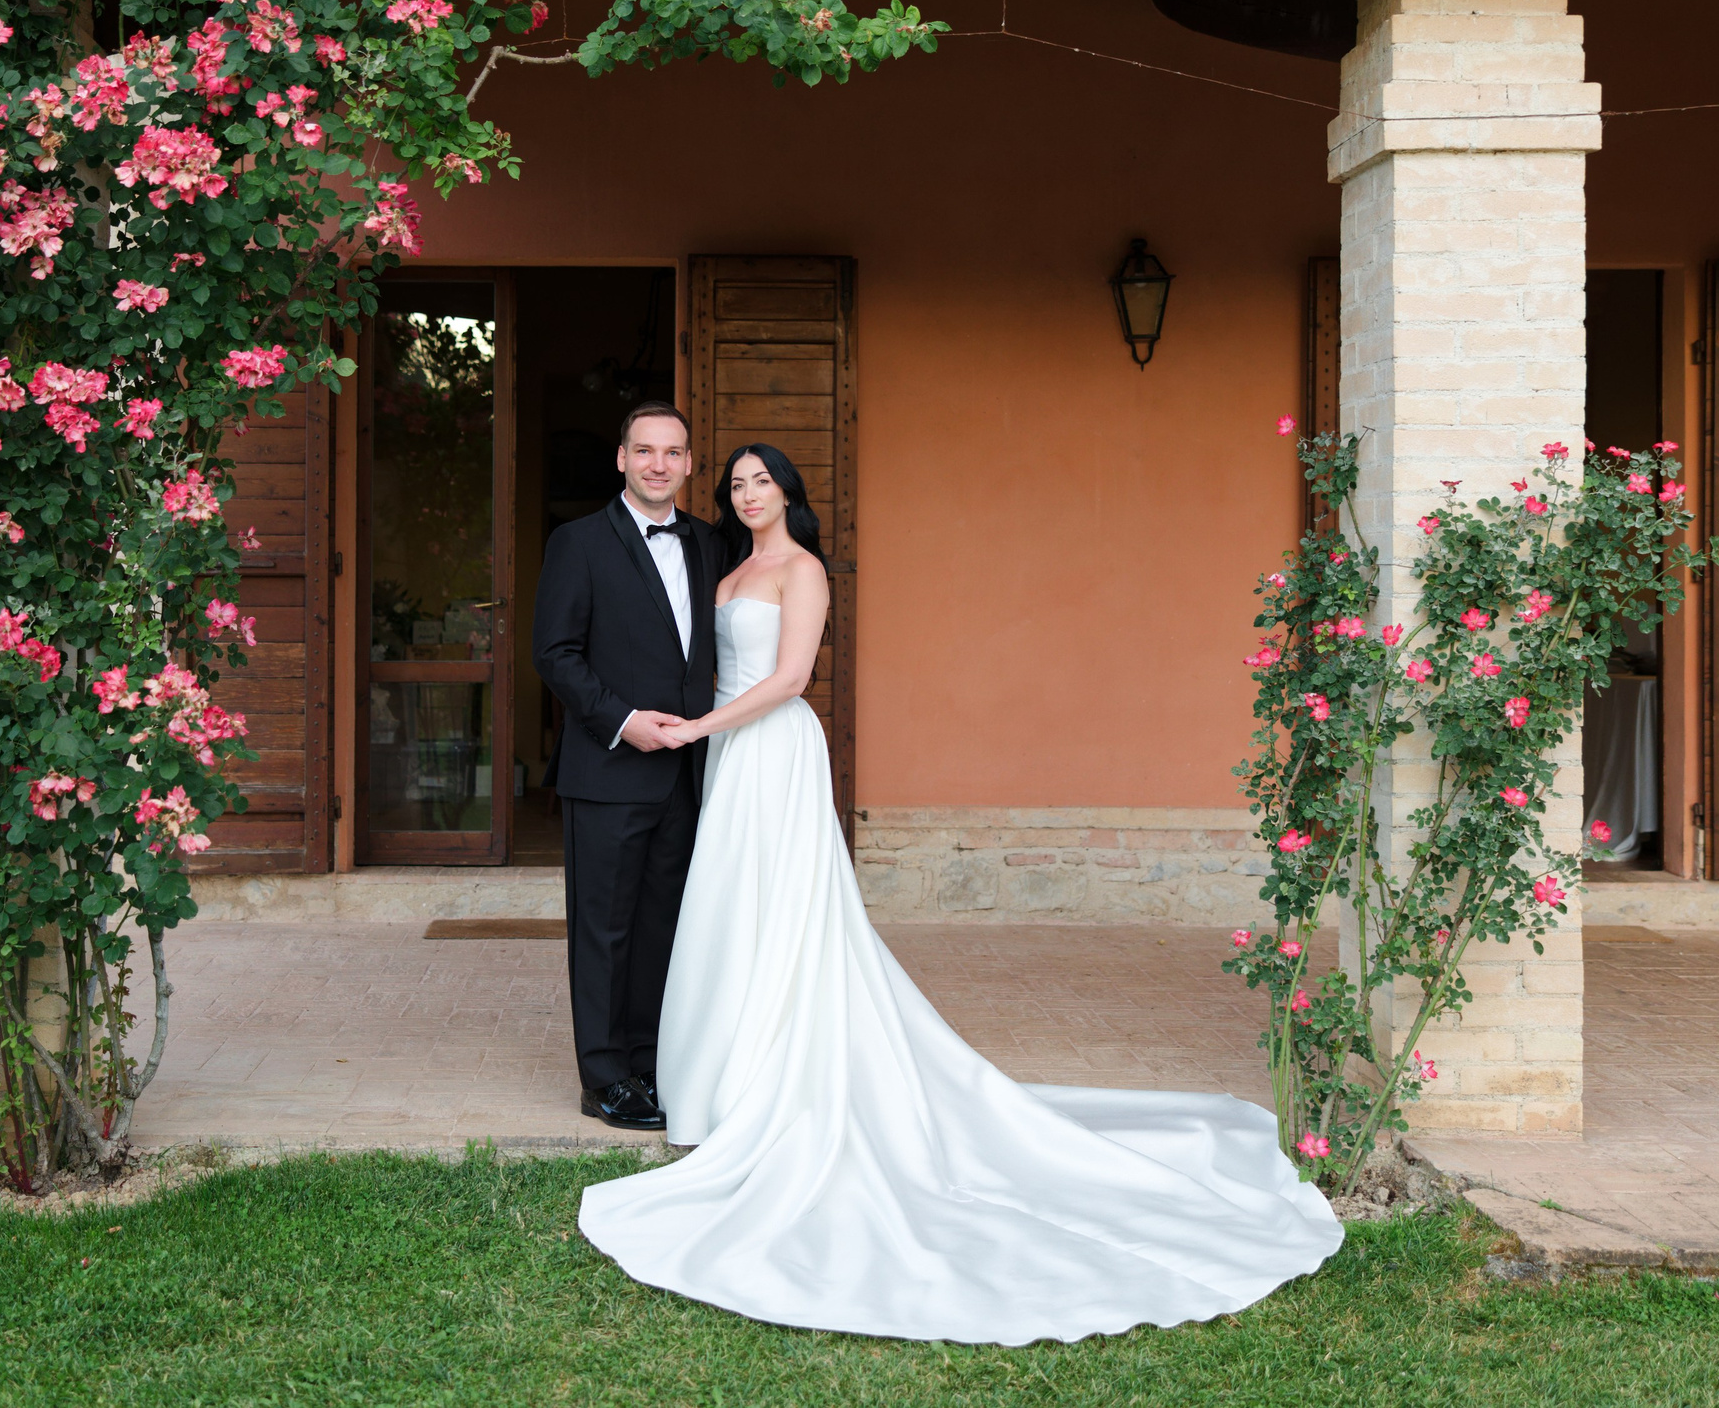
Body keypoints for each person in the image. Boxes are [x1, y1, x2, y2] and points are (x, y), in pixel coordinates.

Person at [575, 444, 1346, 1344]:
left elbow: (789, 679)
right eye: (738, 484)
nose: (749, 495)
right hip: (729, 756)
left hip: (770, 746)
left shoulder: (804, 569)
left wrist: (703, 724)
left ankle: (768, 1079)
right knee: (729, 910)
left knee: (783, 911)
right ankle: (718, 1080)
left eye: (762, 481)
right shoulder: (730, 561)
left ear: (788, 489)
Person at [531, 402, 723, 1131]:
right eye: (644, 450)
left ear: (689, 464)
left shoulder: (707, 542)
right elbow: (555, 652)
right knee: (603, 929)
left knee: (661, 928)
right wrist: (622, 720)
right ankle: (604, 1077)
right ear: (621, 459)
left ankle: (649, 1064)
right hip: (608, 770)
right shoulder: (576, 542)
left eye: (672, 452)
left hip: (686, 774)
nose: (657, 464)